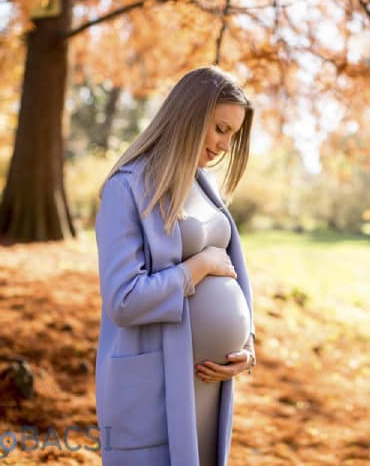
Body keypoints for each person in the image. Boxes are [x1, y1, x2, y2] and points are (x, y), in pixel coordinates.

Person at [93, 65, 257, 466]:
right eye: (219, 128)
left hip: (208, 383)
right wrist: (196, 268)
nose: (223, 145)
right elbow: (124, 300)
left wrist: (246, 344)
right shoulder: (126, 189)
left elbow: (233, 270)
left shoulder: (205, 185)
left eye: (231, 135)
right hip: (156, 388)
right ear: (189, 114)